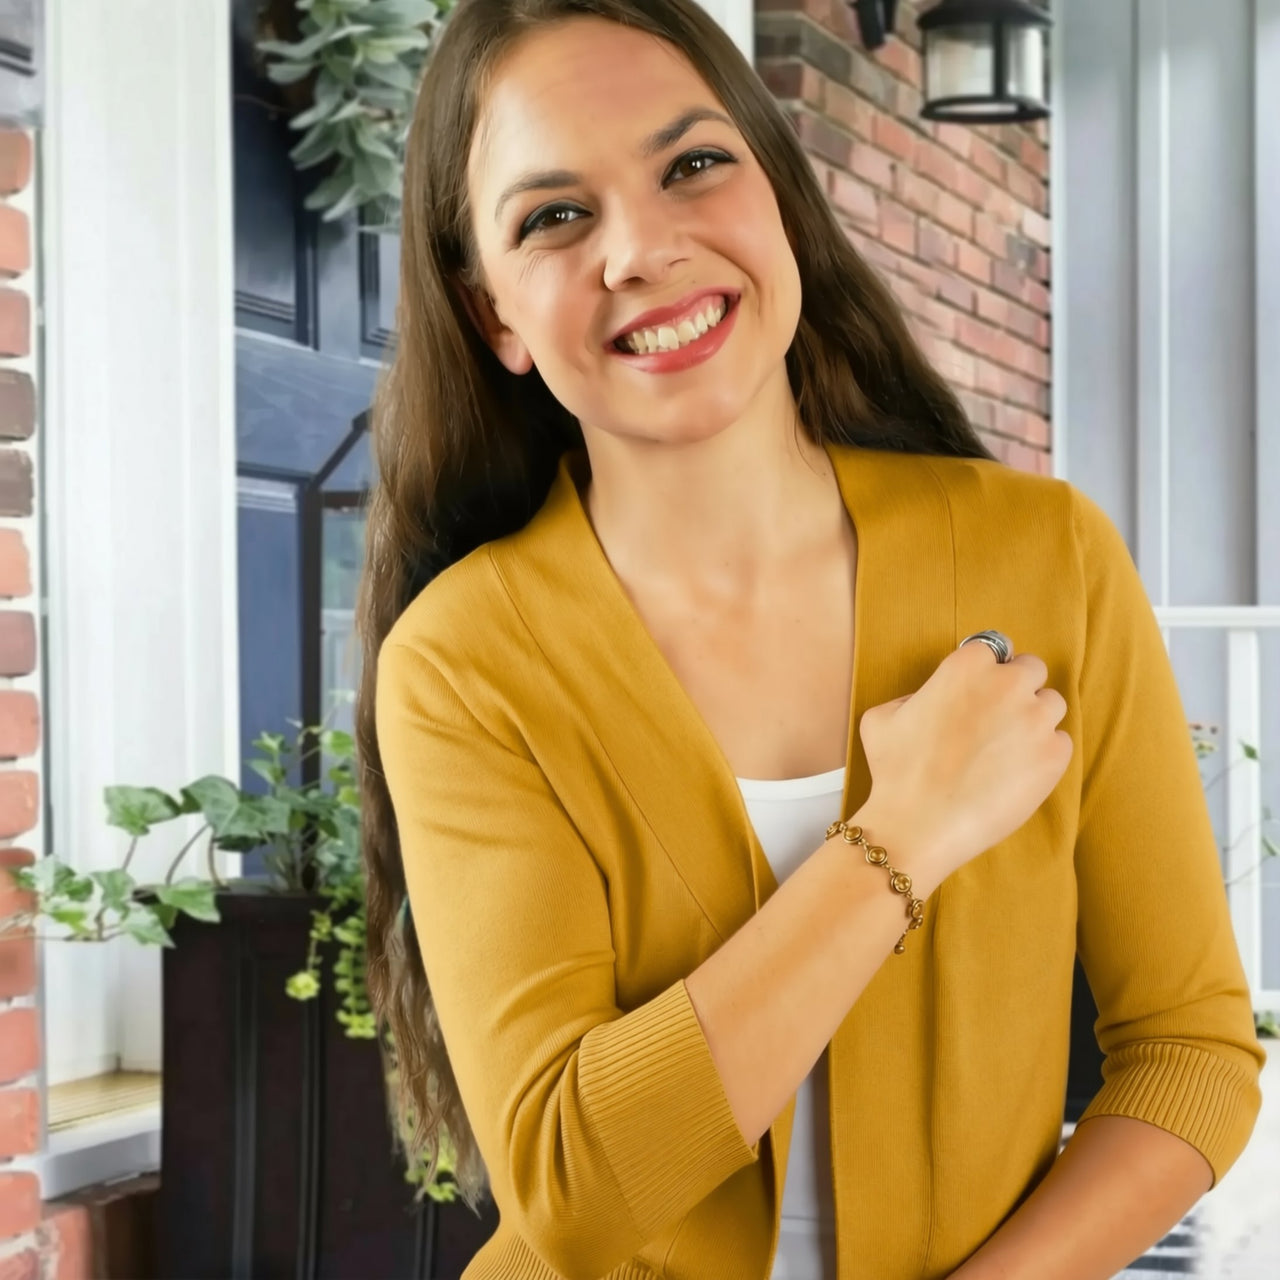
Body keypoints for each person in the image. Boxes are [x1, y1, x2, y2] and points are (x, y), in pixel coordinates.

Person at [355, 2, 1267, 1276]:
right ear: (493, 312)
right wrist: (899, 837)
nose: (642, 247)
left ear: (774, 194)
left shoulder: (1043, 557)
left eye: (691, 164)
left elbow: (1191, 1051)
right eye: (553, 215)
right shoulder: (465, 661)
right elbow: (567, 1187)